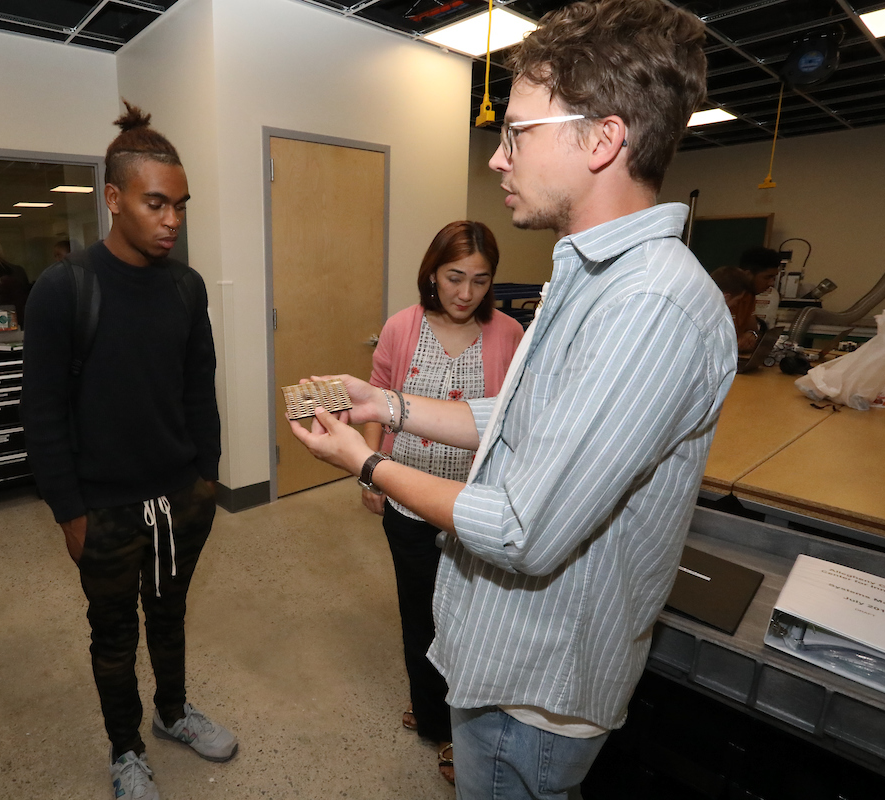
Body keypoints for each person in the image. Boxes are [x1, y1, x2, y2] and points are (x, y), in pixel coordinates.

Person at [289, 1, 736, 797]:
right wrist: (383, 407)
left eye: (517, 132)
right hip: (505, 655)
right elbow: (517, 420)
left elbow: (523, 527)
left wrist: (364, 467)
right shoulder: (589, 277)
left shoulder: (648, 305)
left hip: (538, 686)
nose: (497, 158)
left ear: (602, 138)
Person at [20, 102, 234, 800]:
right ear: (113, 199)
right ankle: (125, 749)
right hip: (103, 506)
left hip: (180, 497)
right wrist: (69, 513)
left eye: (180, 204)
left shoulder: (186, 286)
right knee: (112, 635)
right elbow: (43, 414)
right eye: (155, 203)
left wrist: (206, 477)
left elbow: (199, 389)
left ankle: (173, 712)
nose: (172, 218)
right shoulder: (63, 289)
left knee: (168, 615)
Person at [363, 220, 522, 785]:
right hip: (407, 496)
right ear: (433, 272)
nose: (465, 293)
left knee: (469, 622)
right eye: (454, 277)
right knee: (419, 615)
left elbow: (512, 425)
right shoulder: (401, 327)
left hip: (473, 508)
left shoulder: (508, 334)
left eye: (480, 281)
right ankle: (432, 715)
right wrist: (371, 476)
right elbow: (381, 400)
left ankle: (462, 731)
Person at [710, 266, 761, 353]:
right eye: (737, 300)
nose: (736, 304)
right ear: (725, 297)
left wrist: (751, 335)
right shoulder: (705, 316)